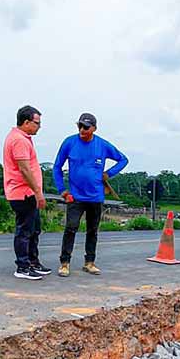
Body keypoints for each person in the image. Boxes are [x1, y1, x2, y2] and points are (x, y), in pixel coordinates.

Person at [53, 112, 129, 277]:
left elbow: (123, 159)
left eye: (86, 127)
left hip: (95, 197)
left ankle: (90, 262)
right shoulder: (69, 142)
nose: (82, 129)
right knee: (70, 228)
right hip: (75, 196)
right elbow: (57, 167)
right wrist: (62, 190)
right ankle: (64, 263)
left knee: (92, 230)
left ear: (94, 128)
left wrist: (109, 173)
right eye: (80, 126)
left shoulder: (102, 145)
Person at [4, 105, 51, 280]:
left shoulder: (23, 138)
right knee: (24, 231)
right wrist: (38, 193)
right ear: (26, 122)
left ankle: (32, 261)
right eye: (37, 123)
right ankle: (22, 266)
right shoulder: (19, 140)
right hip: (22, 193)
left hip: (27, 192)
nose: (39, 126)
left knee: (34, 229)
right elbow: (24, 169)